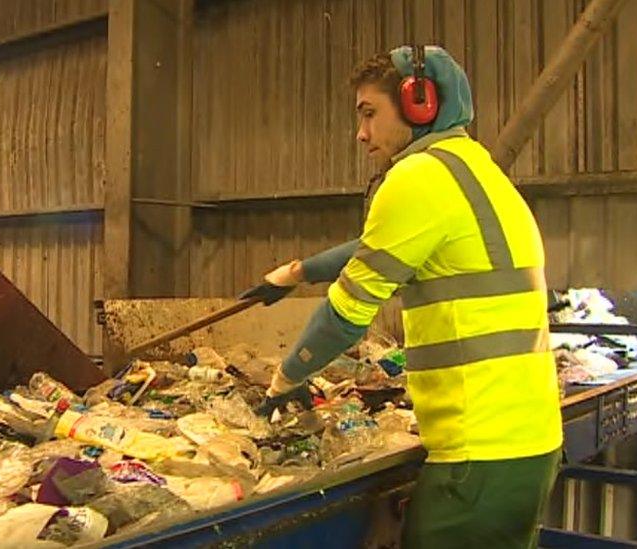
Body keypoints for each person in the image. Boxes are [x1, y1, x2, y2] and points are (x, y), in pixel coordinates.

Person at [241, 45, 563, 549]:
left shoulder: (414, 178)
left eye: (369, 113)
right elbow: (380, 247)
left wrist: (287, 378)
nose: (360, 133)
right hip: (529, 444)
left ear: (419, 104)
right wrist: (297, 272)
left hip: (477, 455)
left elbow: (346, 316)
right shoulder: (472, 168)